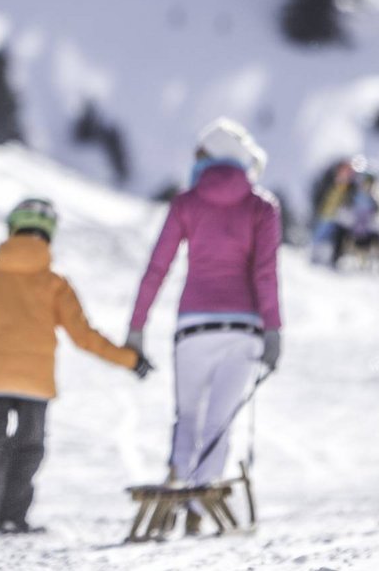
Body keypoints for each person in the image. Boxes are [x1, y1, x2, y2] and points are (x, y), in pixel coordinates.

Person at [0, 198, 151, 535]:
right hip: (35, 384)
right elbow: (83, 336)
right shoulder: (54, 284)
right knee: (28, 448)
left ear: (12, 229)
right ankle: (11, 517)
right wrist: (130, 359)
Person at [126, 118, 281, 529]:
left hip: (193, 325)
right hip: (244, 328)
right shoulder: (262, 207)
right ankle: (197, 510)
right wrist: (273, 331)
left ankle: (176, 485)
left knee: (188, 417)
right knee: (219, 422)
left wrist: (137, 328)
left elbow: (157, 267)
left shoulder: (186, 203)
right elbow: (265, 273)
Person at [330, 158, 379, 273]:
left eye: (367, 181)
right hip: (352, 231)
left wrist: (374, 224)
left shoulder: (376, 199)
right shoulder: (350, 196)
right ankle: (334, 260)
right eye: (361, 180)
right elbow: (342, 214)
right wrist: (351, 221)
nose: (364, 183)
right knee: (337, 231)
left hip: (369, 233)